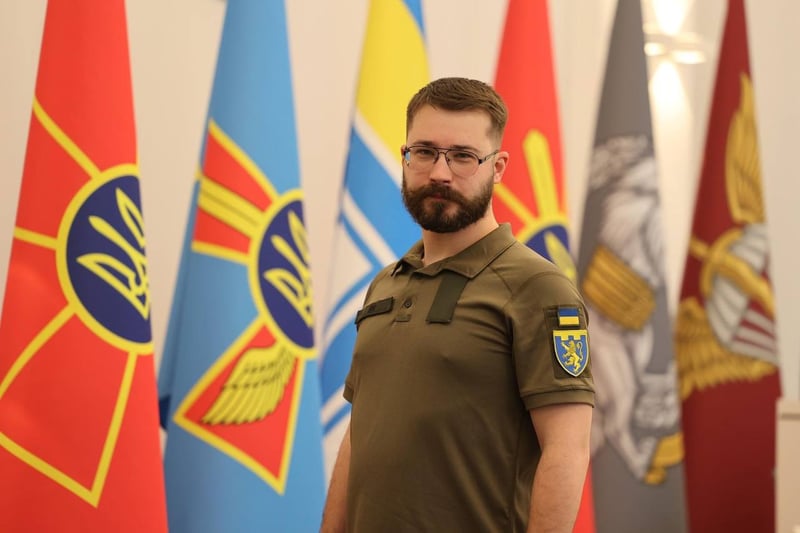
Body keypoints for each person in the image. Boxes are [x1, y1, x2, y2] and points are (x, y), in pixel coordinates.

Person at [321, 77, 594, 533]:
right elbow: (360, 433)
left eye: (463, 156)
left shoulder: (539, 288)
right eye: (424, 152)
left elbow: (567, 450)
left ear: (498, 167)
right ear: (405, 156)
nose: (440, 173)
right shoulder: (386, 284)